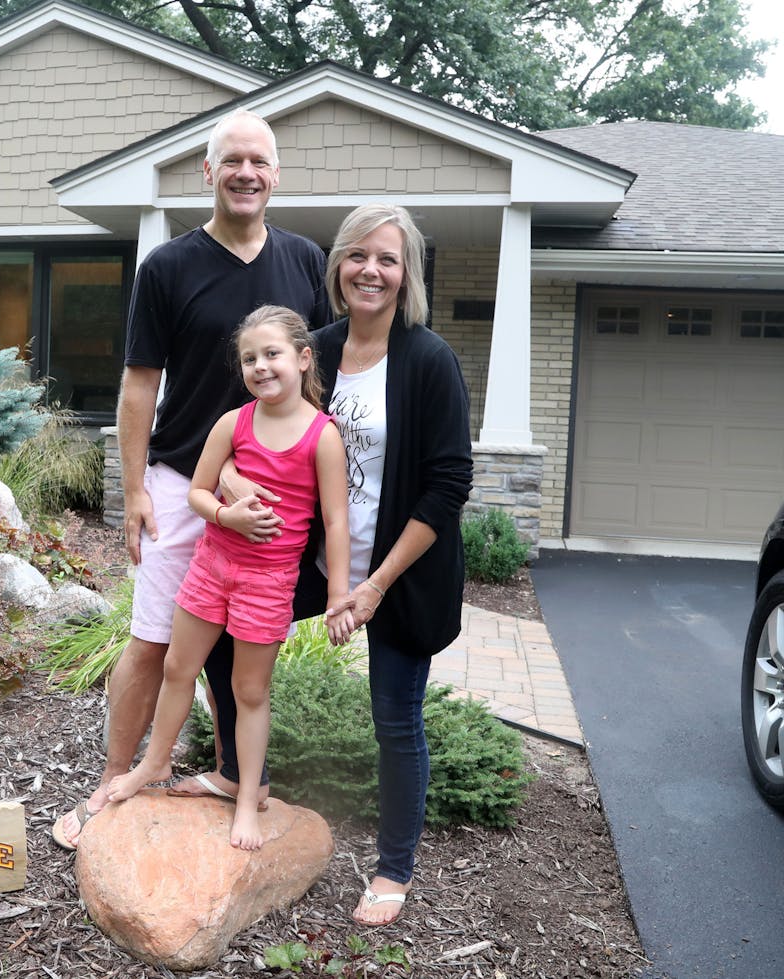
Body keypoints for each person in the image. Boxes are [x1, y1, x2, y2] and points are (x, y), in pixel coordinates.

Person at [53, 108, 332, 850]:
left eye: (261, 162)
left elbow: (320, 380)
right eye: (232, 160)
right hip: (185, 484)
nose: (247, 173)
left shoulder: (306, 260)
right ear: (208, 173)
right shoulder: (168, 267)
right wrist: (137, 489)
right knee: (153, 641)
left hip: (277, 496)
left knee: (240, 647)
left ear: (277, 175)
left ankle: (234, 776)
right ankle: (116, 782)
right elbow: (139, 388)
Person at [104, 306, 351, 849]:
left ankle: (246, 801)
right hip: (211, 567)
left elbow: (335, 521)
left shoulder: (322, 436)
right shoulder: (233, 422)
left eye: (272, 354)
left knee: (249, 691)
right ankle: (152, 764)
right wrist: (224, 515)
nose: (261, 367)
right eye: (249, 359)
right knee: (177, 666)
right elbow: (198, 489)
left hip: (268, 581)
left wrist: (338, 594)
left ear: (304, 358)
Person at [302, 203, 472, 925]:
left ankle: (394, 867)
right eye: (358, 255)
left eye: (388, 258)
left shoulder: (429, 358)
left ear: (407, 276)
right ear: (339, 265)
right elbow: (266, 435)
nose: (371, 269)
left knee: (395, 721)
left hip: (399, 574)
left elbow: (449, 484)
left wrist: (372, 585)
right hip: (315, 559)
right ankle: (236, 781)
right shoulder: (313, 349)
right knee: (222, 638)